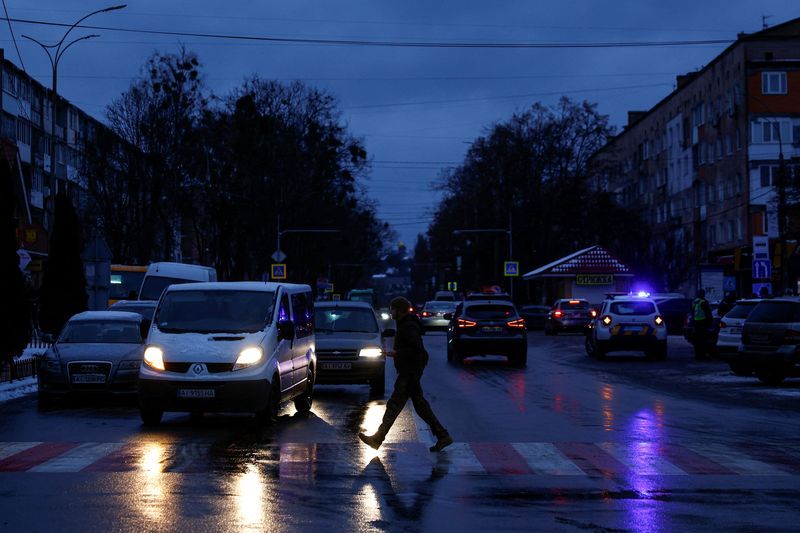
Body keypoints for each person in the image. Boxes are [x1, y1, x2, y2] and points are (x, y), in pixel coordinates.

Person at [359, 297, 453, 453]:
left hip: (410, 371)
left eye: (393, 309)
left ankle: (377, 438)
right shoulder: (405, 324)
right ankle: (443, 436)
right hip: (410, 370)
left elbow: (415, 349)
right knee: (420, 406)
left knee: (394, 404)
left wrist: (396, 353)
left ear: (400, 310)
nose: (391, 312)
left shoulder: (408, 327)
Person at [691, 289, 713, 360]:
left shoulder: (694, 302)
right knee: (703, 340)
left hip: (696, 323)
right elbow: (708, 313)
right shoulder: (704, 302)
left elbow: (692, 312)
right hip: (703, 323)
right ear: (703, 294)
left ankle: (697, 355)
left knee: (697, 340)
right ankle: (702, 355)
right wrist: (710, 322)